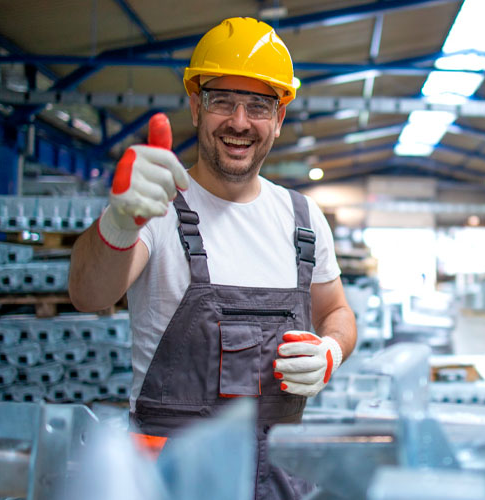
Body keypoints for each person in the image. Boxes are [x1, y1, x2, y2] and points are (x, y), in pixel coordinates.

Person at [68, 17, 356, 499]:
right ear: (196, 108)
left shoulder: (303, 218)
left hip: (278, 479)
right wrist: (119, 223)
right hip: (173, 480)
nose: (239, 122)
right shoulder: (156, 206)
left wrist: (331, 351)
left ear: (279, 118)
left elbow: (337, 312)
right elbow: (87, 294)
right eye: (222, 100)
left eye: (259, 106)